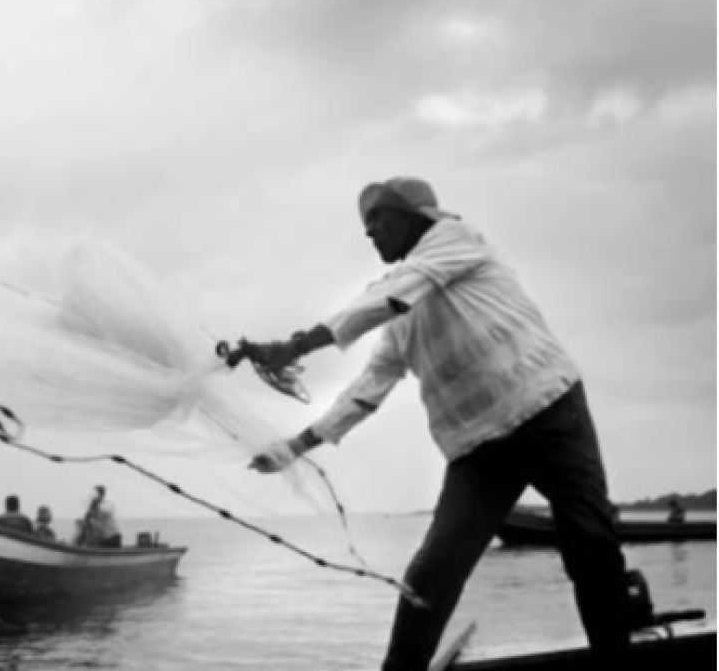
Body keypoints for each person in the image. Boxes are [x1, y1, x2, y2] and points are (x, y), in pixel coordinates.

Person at [243, 177, 631, 670]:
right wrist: (293, 448)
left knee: (590, 546)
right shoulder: (402, 314)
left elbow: (392, 294)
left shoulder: (455, 240)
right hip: (479, 453)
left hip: (550, 411)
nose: (370, 233)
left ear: (412, 216)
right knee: (431, 576)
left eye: (377, 219)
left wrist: (295, 345)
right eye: (366, 225)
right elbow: (367, 391)